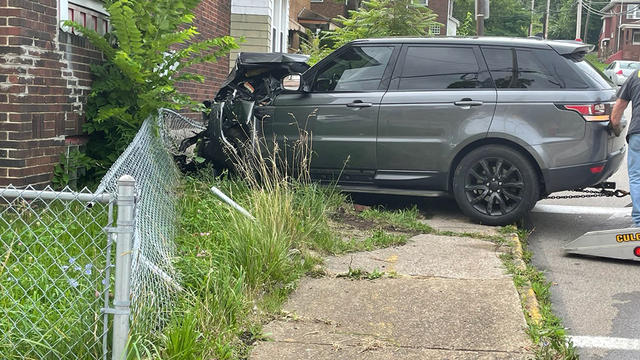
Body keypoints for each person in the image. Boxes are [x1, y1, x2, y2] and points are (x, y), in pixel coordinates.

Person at [612, 71, 640, 227]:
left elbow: (618, 108)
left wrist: (615, 127)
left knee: (638, 177)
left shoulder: (636, 75)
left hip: (638, 134)